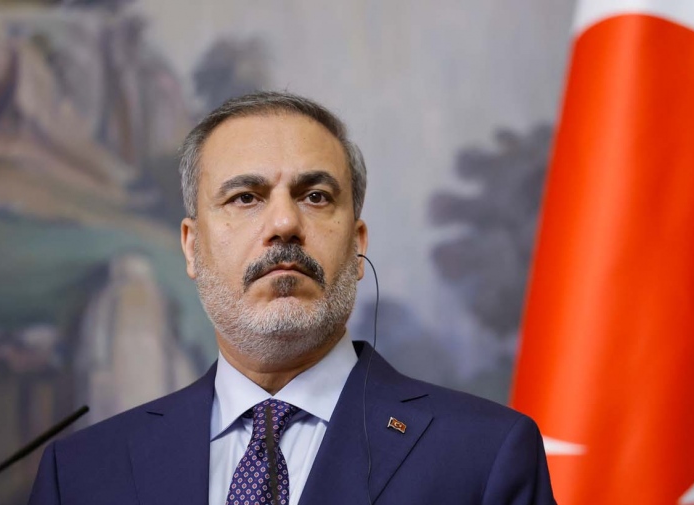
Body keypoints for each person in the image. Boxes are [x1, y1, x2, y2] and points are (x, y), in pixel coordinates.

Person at [28, 91, 555, 505]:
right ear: (191, 246)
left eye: (315, 197)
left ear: (357, 244)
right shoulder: (79, 474)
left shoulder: (485, 455)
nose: (284, 223)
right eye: (245, 197)